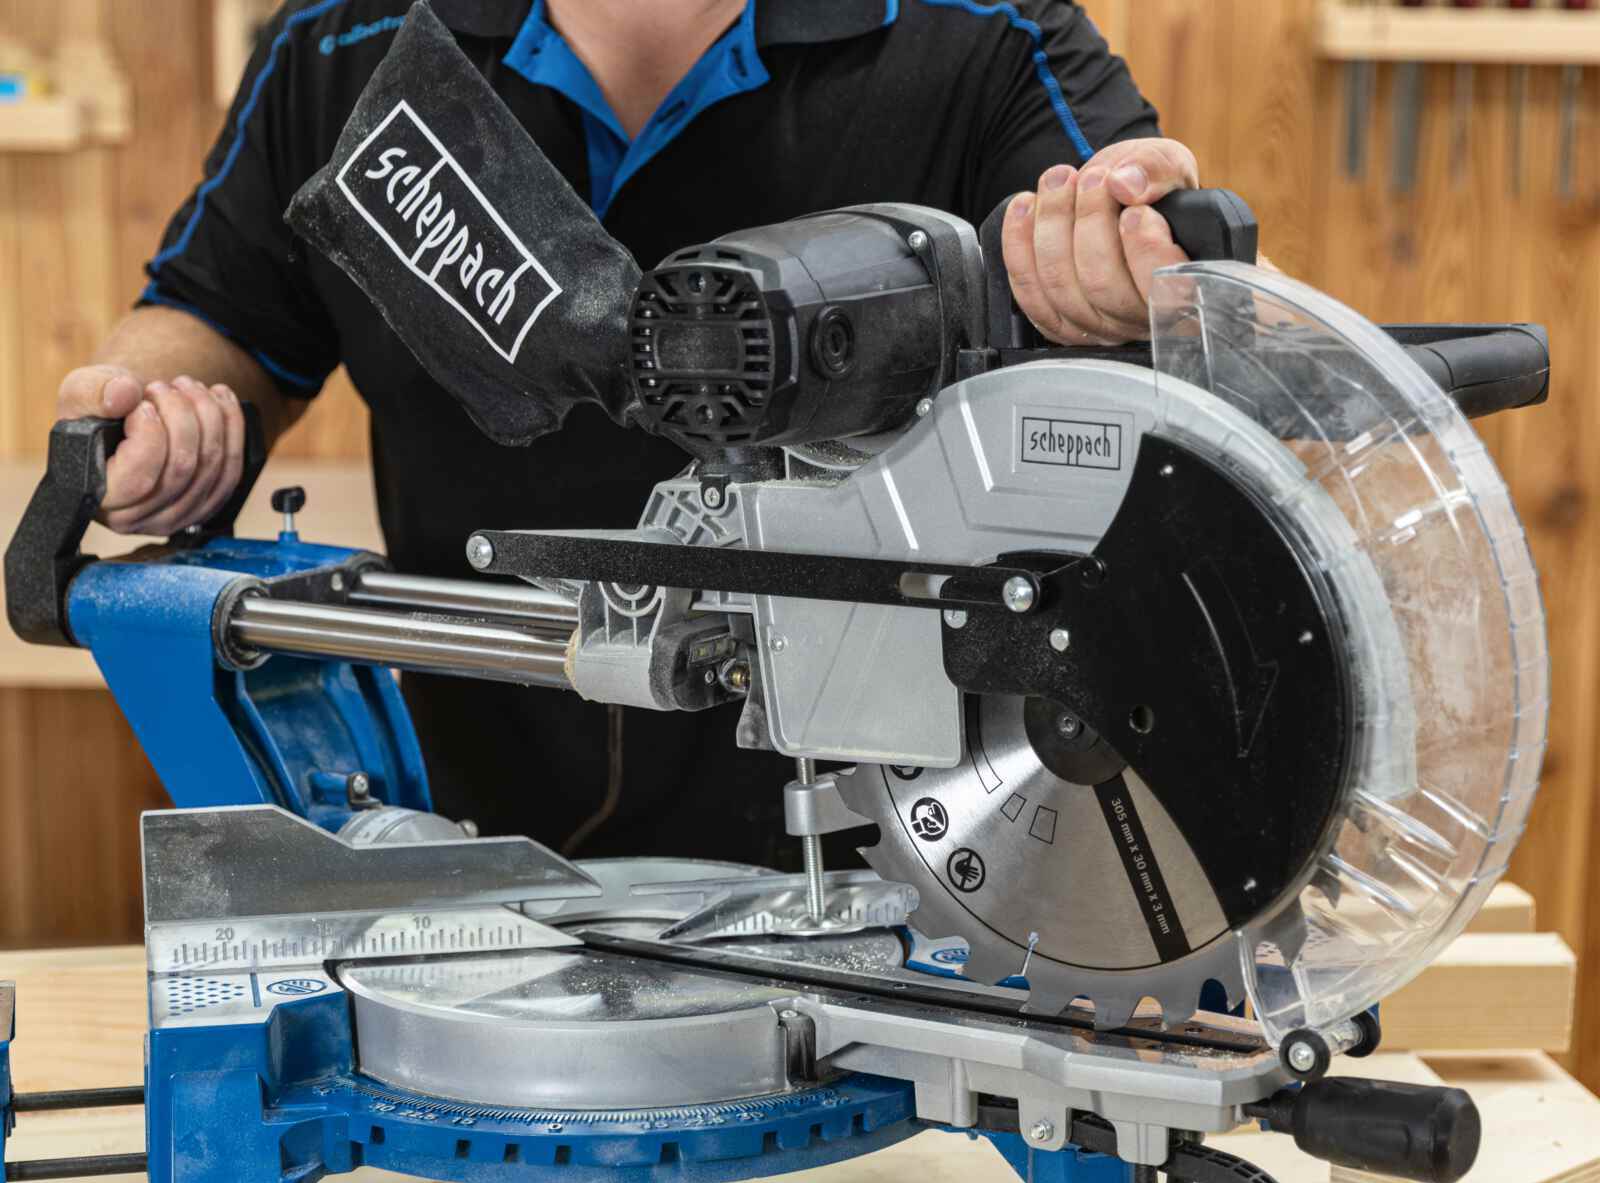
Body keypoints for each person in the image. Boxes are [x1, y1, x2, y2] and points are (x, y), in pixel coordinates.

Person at [57, 0, 1203, 866]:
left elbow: (1165, 293)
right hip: (475, 817)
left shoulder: (982, 34)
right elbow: (217, 314)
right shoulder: (340, 41)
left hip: (900, 844)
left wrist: (1126, 280)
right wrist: (148, 410)